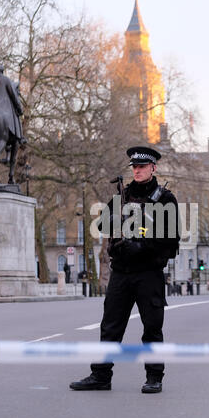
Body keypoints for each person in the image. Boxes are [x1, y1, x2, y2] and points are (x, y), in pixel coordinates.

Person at [70, 146, 180, 394]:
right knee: (110, 325)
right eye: (135, 167)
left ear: (153, 168)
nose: (138, 171)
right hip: (121, 271)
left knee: (152, 327)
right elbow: (101, 224)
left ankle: (154, 377)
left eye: (142, 167)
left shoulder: (165, 199)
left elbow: (171, 241)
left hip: (148, 273)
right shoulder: (122, 195)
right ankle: (100, 376)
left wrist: (142, 246)